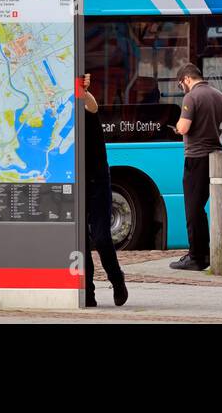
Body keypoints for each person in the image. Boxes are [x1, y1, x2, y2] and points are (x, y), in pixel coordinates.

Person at [170, 63, 222, 271]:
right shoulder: (219, 95)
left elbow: (184, 126)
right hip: (215, 157)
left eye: (181, 84)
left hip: (196, 157)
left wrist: (177, 128)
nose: (182, 88)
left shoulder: (191, 97)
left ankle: (196, 257)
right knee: (199, 207)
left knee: (192, 209)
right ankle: (203, 253)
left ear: (187, 79)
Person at [81, 74, 128, 306]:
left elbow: (92, 105)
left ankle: (117, 279)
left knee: (101, 237)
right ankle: (87, 292)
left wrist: (82, 91)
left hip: (96, 180)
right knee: (78, 239)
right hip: (74, 182)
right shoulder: (57, 117)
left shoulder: (85, 109)